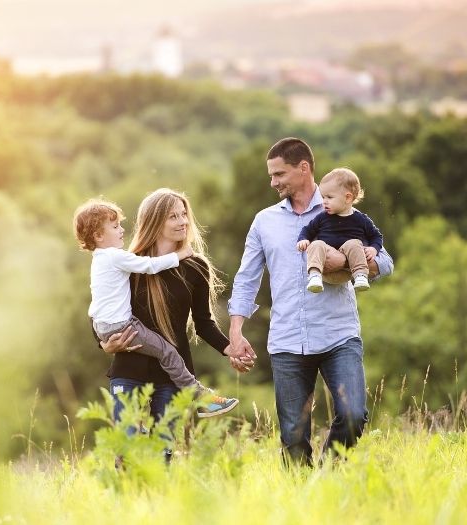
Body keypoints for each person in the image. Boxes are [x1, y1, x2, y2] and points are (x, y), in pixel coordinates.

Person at [227, 137, 394, 466]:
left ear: (304, 169)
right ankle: (302, 503)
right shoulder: (265, 221)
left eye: (279, 174)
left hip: (338, 334)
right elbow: (247, 277)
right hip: (287, 339)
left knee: (353, 415)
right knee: (293, 436)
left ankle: (328, 478)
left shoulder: (346, 211)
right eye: (271, 176)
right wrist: (236, 330)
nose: (273, 182)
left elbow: (385, 263)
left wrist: (351, 262)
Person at [73, 197, 238, 418]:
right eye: (173, 216)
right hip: (129, 370)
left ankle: (202, 397)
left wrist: (231, 349)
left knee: (164, 449)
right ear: (155, 221)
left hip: (171, 377)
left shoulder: (195, 266)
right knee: (127, 445)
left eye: (183, 214)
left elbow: (204, 323)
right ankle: (200, 396)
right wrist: (105, 345)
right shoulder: (130, 262)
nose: (183, 222)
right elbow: (101, 307)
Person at [296, 167, 383, 293]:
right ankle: (314, 276)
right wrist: (303, 239)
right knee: (316, 244)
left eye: (329, 197)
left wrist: (374, 248)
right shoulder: (322, 217)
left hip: (348, 272)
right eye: (323, 197)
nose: (324, 202)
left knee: (354, 243)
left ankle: (360, 276)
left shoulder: (361, 219)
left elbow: (376, 236)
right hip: (326, 269)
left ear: (348, 198)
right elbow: (307, 230)